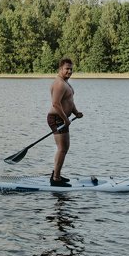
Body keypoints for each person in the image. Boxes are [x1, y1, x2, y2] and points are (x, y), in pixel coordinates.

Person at [47, 57, 83, 187]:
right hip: (57, 119)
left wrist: (76, 113)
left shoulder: (66, 83)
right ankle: (55, 179)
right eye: (67, 69)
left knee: (63, 148)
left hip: (61, 119)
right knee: (62, 149)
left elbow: (69, 102)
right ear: (60, 69)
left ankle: (56, 174)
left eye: (71, 69)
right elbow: (56, 104)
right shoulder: (59, 84)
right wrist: (65, 119)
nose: (69, 71)